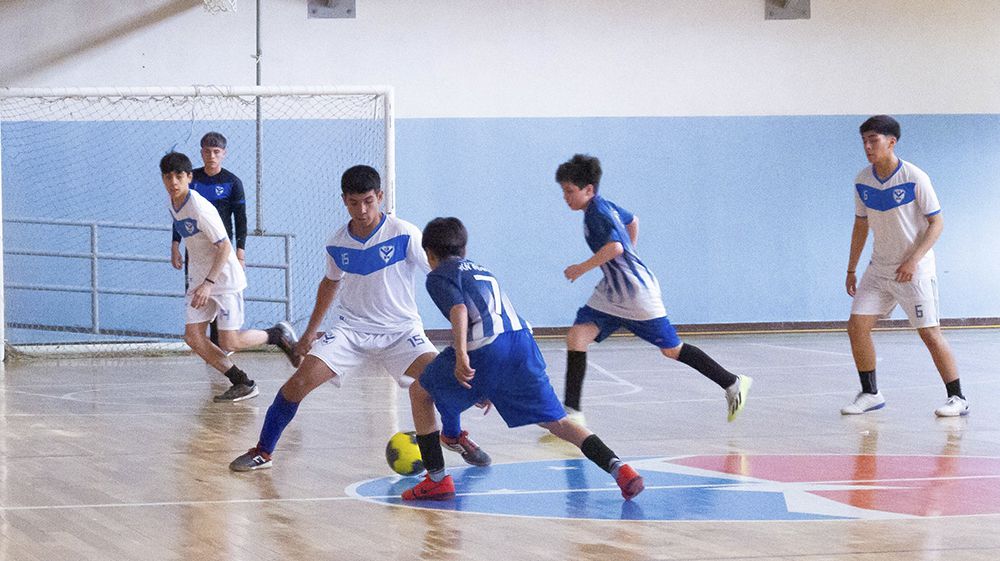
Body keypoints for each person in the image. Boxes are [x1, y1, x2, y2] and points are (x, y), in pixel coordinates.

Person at [228, 165, 490, 472]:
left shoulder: (404, 233)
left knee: (443, 380)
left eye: (368, 201)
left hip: (402, 331)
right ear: (344, 200)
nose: (362, 210)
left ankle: (453, 435)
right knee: (296, 384)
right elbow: (330, 283)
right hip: (351, 330)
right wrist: (309, 333)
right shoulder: (337, 242)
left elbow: (441, 272)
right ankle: (263, 452)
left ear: (380, 196)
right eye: (354, 203)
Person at [402, 217, 645, 501]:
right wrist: (488, 383)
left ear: (429, 254)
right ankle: (620, 468)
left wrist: (463, 356)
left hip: (487, 347)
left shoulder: (439, 275)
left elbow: (459, 310)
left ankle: (437, 480)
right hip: (522, 344)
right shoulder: (481, 270)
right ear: (464, 249)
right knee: (558, 422)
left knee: (420, 392)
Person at [554, 154, 751, 425]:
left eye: (569, 191)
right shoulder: (603, 206)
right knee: (577, 336)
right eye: (563, 191)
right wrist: (629, 256)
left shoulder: (598, 213)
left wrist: (581, 268)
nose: (565, 197)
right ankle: (573, 414)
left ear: (588, 189)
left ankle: (732, 383)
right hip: (612, 291)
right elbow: (633, 220)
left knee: (672, 350)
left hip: (636, 294)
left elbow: (616, 247)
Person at [842, 115, 967, 417]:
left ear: (891, 142)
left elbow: (937, 223)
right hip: (879, 269)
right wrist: (851, 269)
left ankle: (958, 397)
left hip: (914, 271)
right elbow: (861, 225)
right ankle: (870, 393)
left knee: (930, 334)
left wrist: (913, 259)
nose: (867, 147)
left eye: (873, 140)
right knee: (857, 327)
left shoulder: (914, 177)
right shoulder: (862, 180)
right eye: (864, 141)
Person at [161, 152, 299, 403]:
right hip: (199, 279)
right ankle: (242, 382)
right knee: (193, 337)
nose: (173, 182)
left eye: (179, 176)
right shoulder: (173, 203)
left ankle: (276, 335)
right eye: (168, 177)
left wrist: (209, 283)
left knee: (229, 340)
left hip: (222, 279)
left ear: (189, 177)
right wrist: (175, 246)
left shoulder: (200, 207)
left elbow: (224, 246)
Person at [171, 132, 247, 347]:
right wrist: (175, 244)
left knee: (218, 294)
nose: (211, 156)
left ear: (224, 154)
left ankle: (223, 345)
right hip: (196, 250)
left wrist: (240, 251)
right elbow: (179, 213)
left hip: (221, 249)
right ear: (201, 153)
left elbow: (240, 218)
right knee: (199, 298)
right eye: (207, 151)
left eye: (216, 152)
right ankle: (212, 349)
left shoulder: (232, 182)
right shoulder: (191, 179)